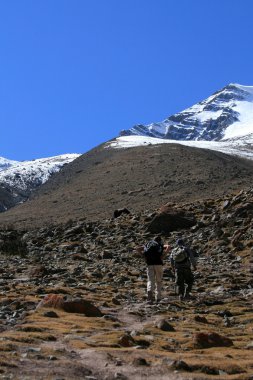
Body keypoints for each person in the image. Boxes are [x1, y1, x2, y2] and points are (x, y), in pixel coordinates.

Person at [137, 236, 170, 304]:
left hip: (149, 264)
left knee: (150, 280)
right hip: (158, 264)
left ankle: (149, 297)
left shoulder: (148, 244)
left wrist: (144, 257)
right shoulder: (159, 245)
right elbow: (168, 247)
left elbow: (137, 249)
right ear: (160, 240)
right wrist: (163, 256)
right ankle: (158, 298)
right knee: (158, 281)